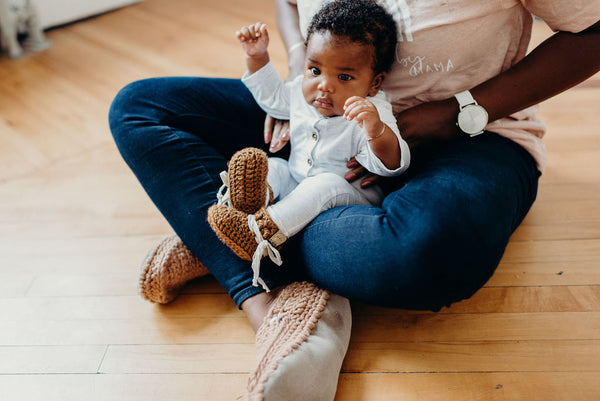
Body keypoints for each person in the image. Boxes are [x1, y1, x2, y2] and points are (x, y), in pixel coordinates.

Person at [108, 0, 600, 399]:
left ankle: (223, 234)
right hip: (317, 134)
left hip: (467, 134)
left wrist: (458, 111)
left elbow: (592, 30)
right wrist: (305, 72)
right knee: (140, 108)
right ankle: (270, 299)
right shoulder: (316, 88)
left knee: (428, 253)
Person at [208, 0, 410, 292]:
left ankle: (260, 235)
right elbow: (273, 99)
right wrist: (258, 58)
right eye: (315, 70)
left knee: (324, 183)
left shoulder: (371, 111)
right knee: (273, 165)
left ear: (374, 83)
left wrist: (376, 130)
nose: (324, 86)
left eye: (344, 77)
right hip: (297, 181)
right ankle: (244, 207)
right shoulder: (303, 93)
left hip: (347, 195)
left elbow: (392, 166)